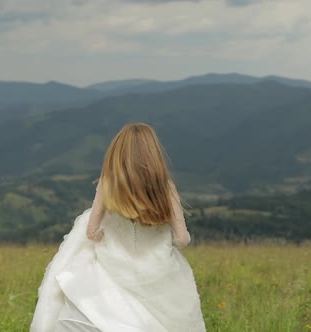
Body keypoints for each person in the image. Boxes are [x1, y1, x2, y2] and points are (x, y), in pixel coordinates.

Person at [30, 123, 206, 332]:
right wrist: (162, 237)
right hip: (156, 272)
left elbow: (91, 232)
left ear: (118, 152)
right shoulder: (166, 187)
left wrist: (108, 232)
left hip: (112, 265)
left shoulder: (108, 184)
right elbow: (182, 240)